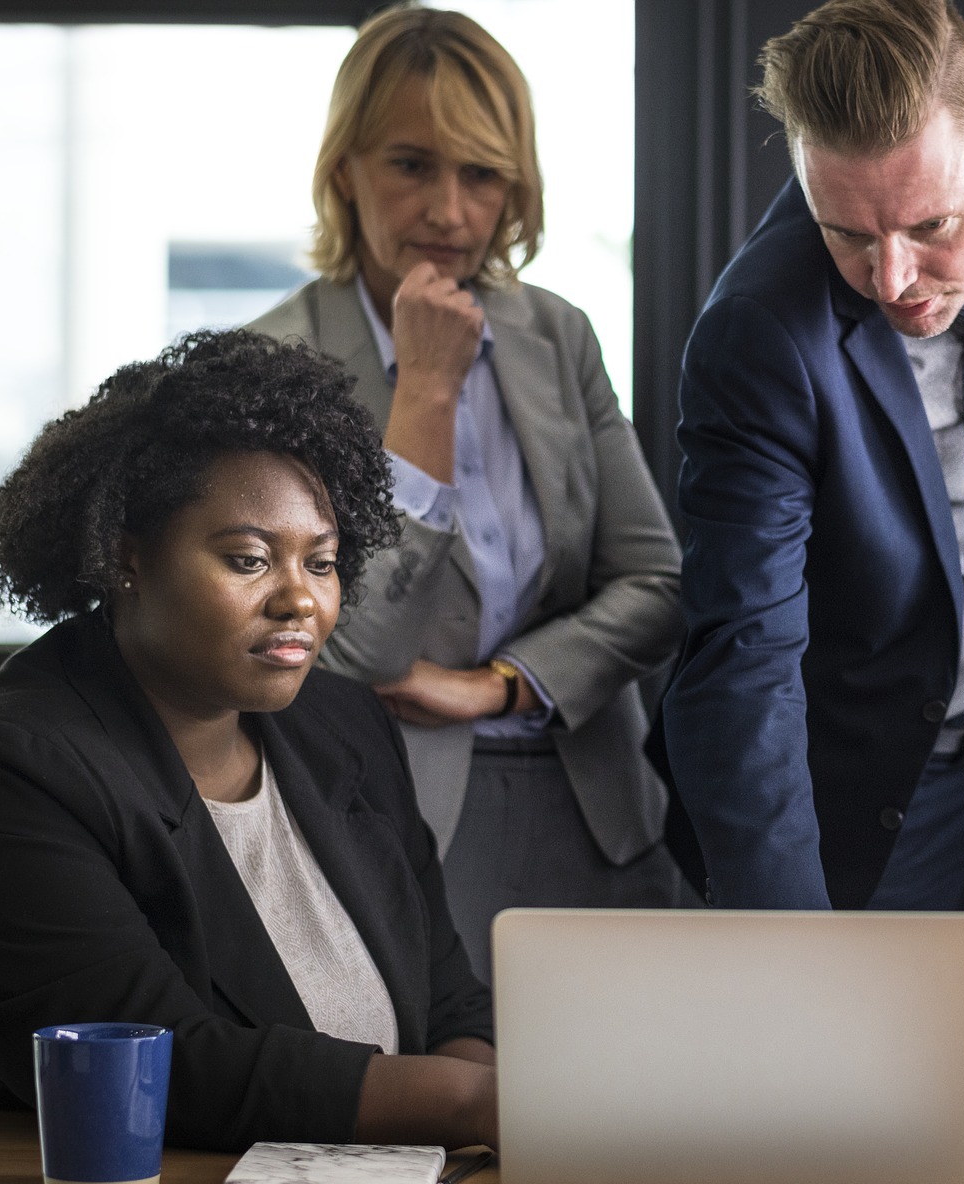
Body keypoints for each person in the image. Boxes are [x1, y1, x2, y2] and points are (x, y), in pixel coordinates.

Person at [0, 331, 500, 1153]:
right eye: (249, 559)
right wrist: (468, 1108)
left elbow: (448, 1002)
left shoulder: (345, 727)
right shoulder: (1, 776)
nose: (299, 598)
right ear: (127, 559)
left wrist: (481, 1139)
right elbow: (166, 1068)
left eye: (324, 562)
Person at [660, 0, 964, 1115]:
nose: (895, 277)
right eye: (849, 234)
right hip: (848, 801)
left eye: (933, 227)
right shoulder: (757, 338)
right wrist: (792, 952)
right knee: (839, 1128)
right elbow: (740, 657)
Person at [251, 6, 687, 981]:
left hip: (598, 809)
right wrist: (429, 389)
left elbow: (656, 584)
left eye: (482, 173)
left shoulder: (558, 335)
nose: (449, 211)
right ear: (346, 169)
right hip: (396, 821)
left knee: (626, 1119)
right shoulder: (273, 364)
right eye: (411, 164)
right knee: (455, 1121)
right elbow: (356, 646)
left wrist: (498, 684)